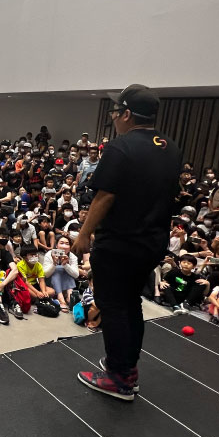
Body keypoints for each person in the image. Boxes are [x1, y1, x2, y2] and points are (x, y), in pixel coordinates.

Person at [73, 84, 182, 401]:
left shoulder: (120, 148)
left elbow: (105, 196)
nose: (113, 118)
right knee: (131, 303)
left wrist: (84, 233)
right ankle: (127, 368)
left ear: (127, 114)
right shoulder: (170, 147)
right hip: (152, 242)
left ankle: (119, 378)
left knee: (113, 308)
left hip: (120, 243)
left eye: (115, 112)